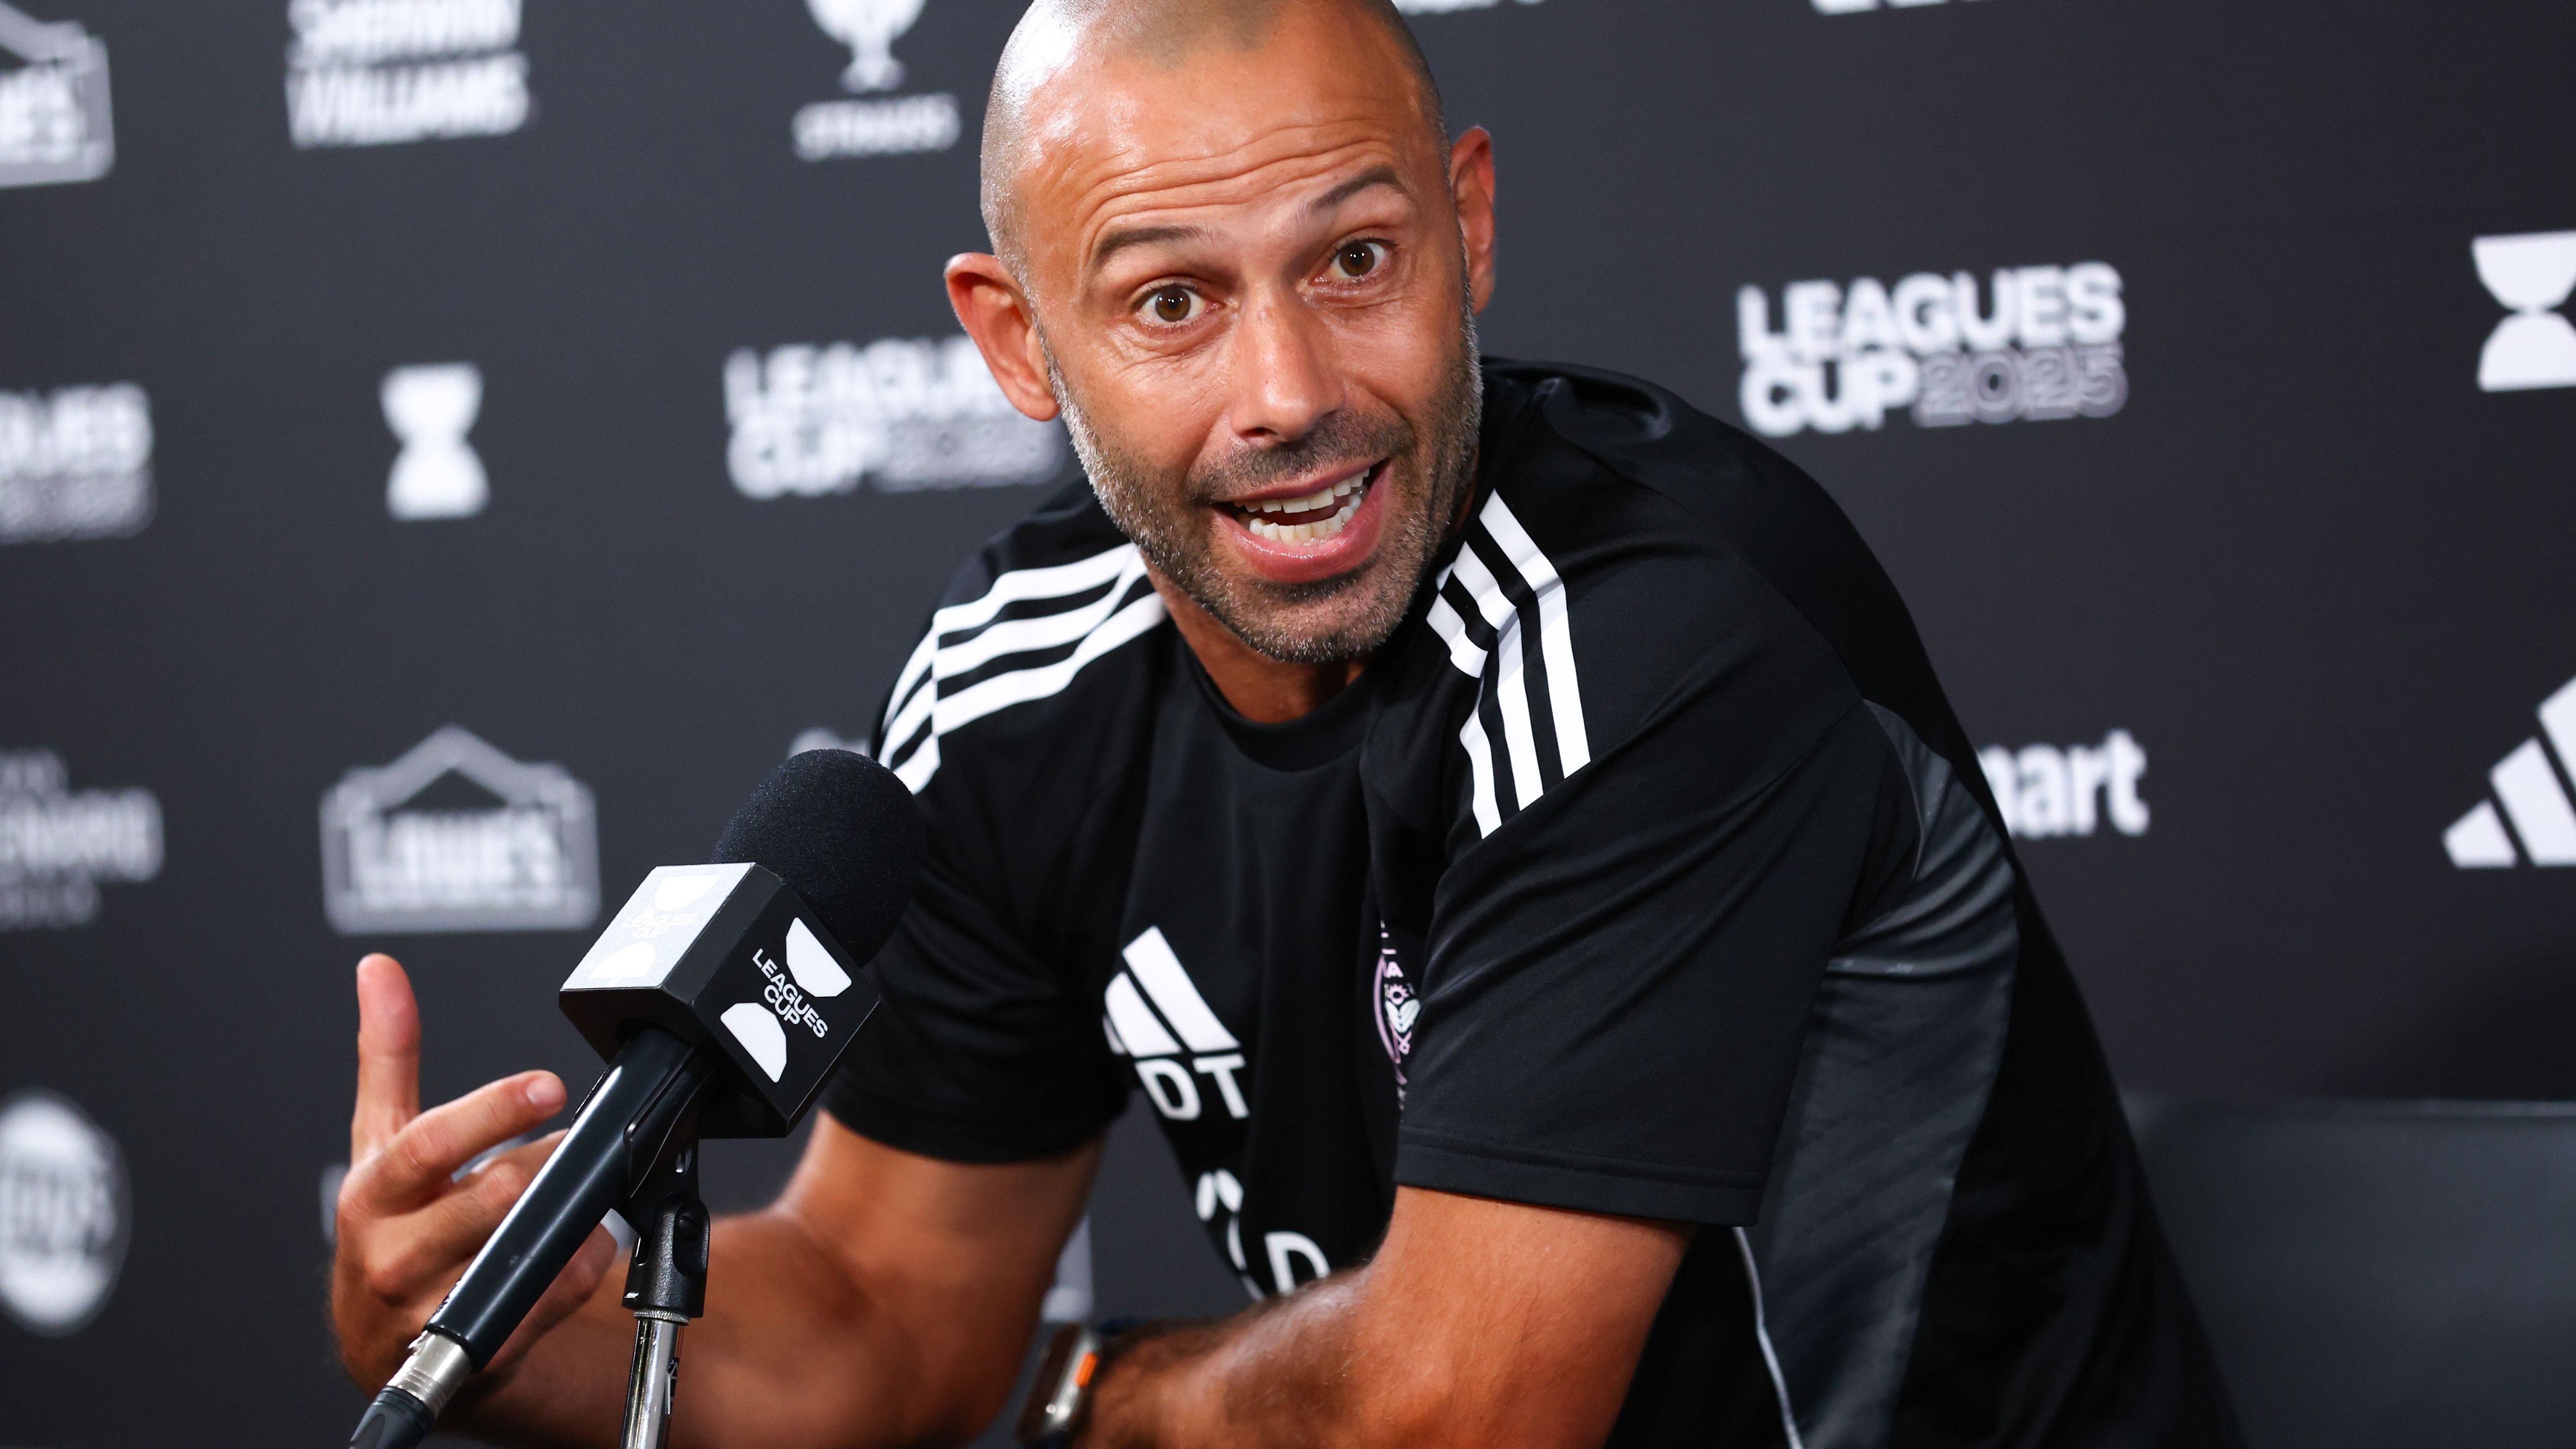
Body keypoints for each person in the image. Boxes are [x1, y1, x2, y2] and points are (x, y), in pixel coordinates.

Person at [330, 1, 2240, 1444]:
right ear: (1018, 341)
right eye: (1171, 302)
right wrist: (499, 1329)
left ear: (1467, 225)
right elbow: (886, 1311)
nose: (1289, 393)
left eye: (1354, 260)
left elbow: (1457, 1413)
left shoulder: (1655, 636)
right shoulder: (1013, 689)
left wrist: (1107, 1401)